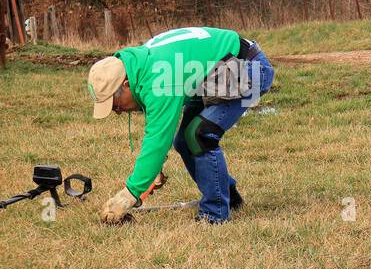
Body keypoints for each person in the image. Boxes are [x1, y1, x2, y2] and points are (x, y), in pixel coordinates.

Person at [87, 27, 275, 224]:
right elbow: (160, 134)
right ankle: (230, 197)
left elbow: (157, 142)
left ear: (126, 84)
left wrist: (129, 194)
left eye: (114, 104)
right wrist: (153, 169)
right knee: (183, 141)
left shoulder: (159, 81)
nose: (116, 111)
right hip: (216, 76)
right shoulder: (141, 65)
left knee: (199, 135)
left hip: (250, 69)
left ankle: (215, 214)